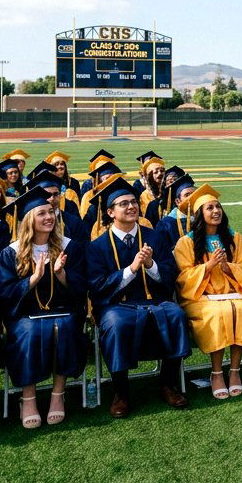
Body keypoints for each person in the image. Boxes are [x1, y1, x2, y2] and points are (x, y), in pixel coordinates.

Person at [86, 175, 191, 418]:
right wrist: (131, 270)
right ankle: (121, 392)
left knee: (175, 313)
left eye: (133, 201)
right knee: (115, 323)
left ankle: (168, 384)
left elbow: (170, 273)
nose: (132, 206)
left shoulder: (155, 236)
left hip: (154, 301)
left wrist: (151, 264)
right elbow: (97, 287)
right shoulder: (97, 246)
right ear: (110, 212)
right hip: (118, 306)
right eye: (123, 203)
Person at [0, 186, 87, 428]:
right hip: (24, 315)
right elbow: (5, 295)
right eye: (41, 213)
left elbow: (81, 288)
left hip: (63, 309)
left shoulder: (69, 247)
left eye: (51, 212)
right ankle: (28, 398)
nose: (49, 217)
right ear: (28, 220)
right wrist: (33, 279)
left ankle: (58, 395)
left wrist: (62, 276)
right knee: (29, 331)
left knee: (65, 326)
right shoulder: (10, 253)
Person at [173, 184, 242, 400]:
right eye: (209, 208)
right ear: (200, 214)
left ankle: (235, 370)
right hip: (200, 297)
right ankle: (217, 373)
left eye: (218, 207)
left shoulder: (234, 238)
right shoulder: (186, 242)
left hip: (231, 292)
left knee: (238, 308)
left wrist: (229, 268)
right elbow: (182, 278)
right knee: (218, 313)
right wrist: (208, 267)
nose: (216, 211)